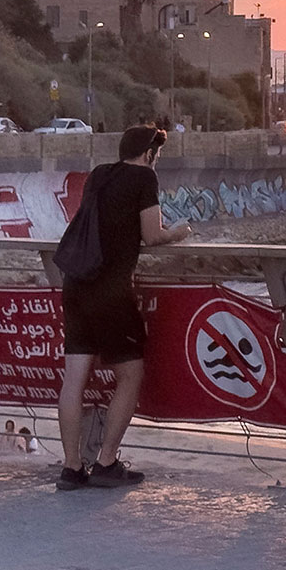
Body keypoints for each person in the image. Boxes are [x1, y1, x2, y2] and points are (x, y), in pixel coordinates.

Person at [55, 125, 194, 490]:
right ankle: (105, 462)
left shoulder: (101, 174)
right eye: (157, 155)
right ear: (149, 154)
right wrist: (180, 231)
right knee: (130, 374)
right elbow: (153, 234)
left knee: (74, 379)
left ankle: (71, 468)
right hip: (111, 290)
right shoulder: (144, 178)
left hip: (77, 284)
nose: (157, 161)